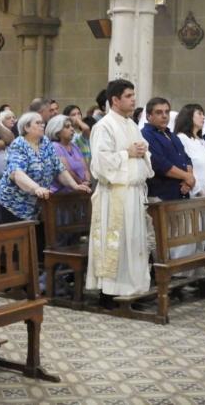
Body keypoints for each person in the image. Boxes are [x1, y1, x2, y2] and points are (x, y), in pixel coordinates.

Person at [86, 79, 154, 297]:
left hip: (133, 193)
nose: (133, 99)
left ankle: (133, 287)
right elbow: (101, 163)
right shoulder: (103, 126)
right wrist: (128, 153)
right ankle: (110, 291)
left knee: (134, 242)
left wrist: (144, 151)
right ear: (115, 100)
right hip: (114, 195)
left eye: (133, 95)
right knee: (117, 243)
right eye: (128, 96)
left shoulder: (132, 124)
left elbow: (142, 154)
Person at [0, 112, 90, 225]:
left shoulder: (45, 142)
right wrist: (36, 188)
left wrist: (75, 186)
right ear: (26, 127)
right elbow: (16, 173)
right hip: (10, 203)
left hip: (33, 204)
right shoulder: (18, 144)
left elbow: (59, 168)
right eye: (38, 123)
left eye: (43, 123)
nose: (42, 125)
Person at [142, 98, 195, 201]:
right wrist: (186, 176)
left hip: (181, 193)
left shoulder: (172, 135)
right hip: (162, 196)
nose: (164, 116)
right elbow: (160, 164)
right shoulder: (145, 135)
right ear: (149, 116)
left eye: (167, 112)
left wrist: (189, 180)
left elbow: (186, 159)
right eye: (159, 112)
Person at [174, 104, 205, 197]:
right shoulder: (182, 138)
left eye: (203, 114)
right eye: (199, 114)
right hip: (194, 193)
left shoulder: (202, 140)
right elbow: (185, 166)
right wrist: (199, 191)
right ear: (189, 116)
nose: (203, 117)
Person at [46, 115, 90, 192]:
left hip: (81, 190)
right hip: (63, 194)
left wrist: (88, 181)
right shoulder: (54, 146)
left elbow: (85, 168)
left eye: (72, 126)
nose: (72, 129)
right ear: (57, 131)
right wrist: (81, 183)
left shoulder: (74, 146)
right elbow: (67, 170)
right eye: (67, 127)